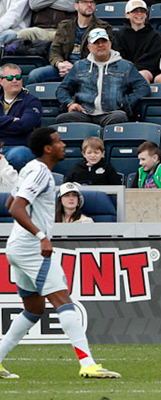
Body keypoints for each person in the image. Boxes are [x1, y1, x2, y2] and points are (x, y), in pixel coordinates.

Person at [0, 127, 119, 379]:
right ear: (47, 148)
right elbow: (16, 208)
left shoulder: (29, 169)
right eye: (58, 141)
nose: (63, 144)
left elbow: (10, 202)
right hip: (32, 248)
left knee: (34, 309)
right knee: (64, 301)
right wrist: (41, 236)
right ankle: (87, 364)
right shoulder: (41, 172)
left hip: (17, 247)